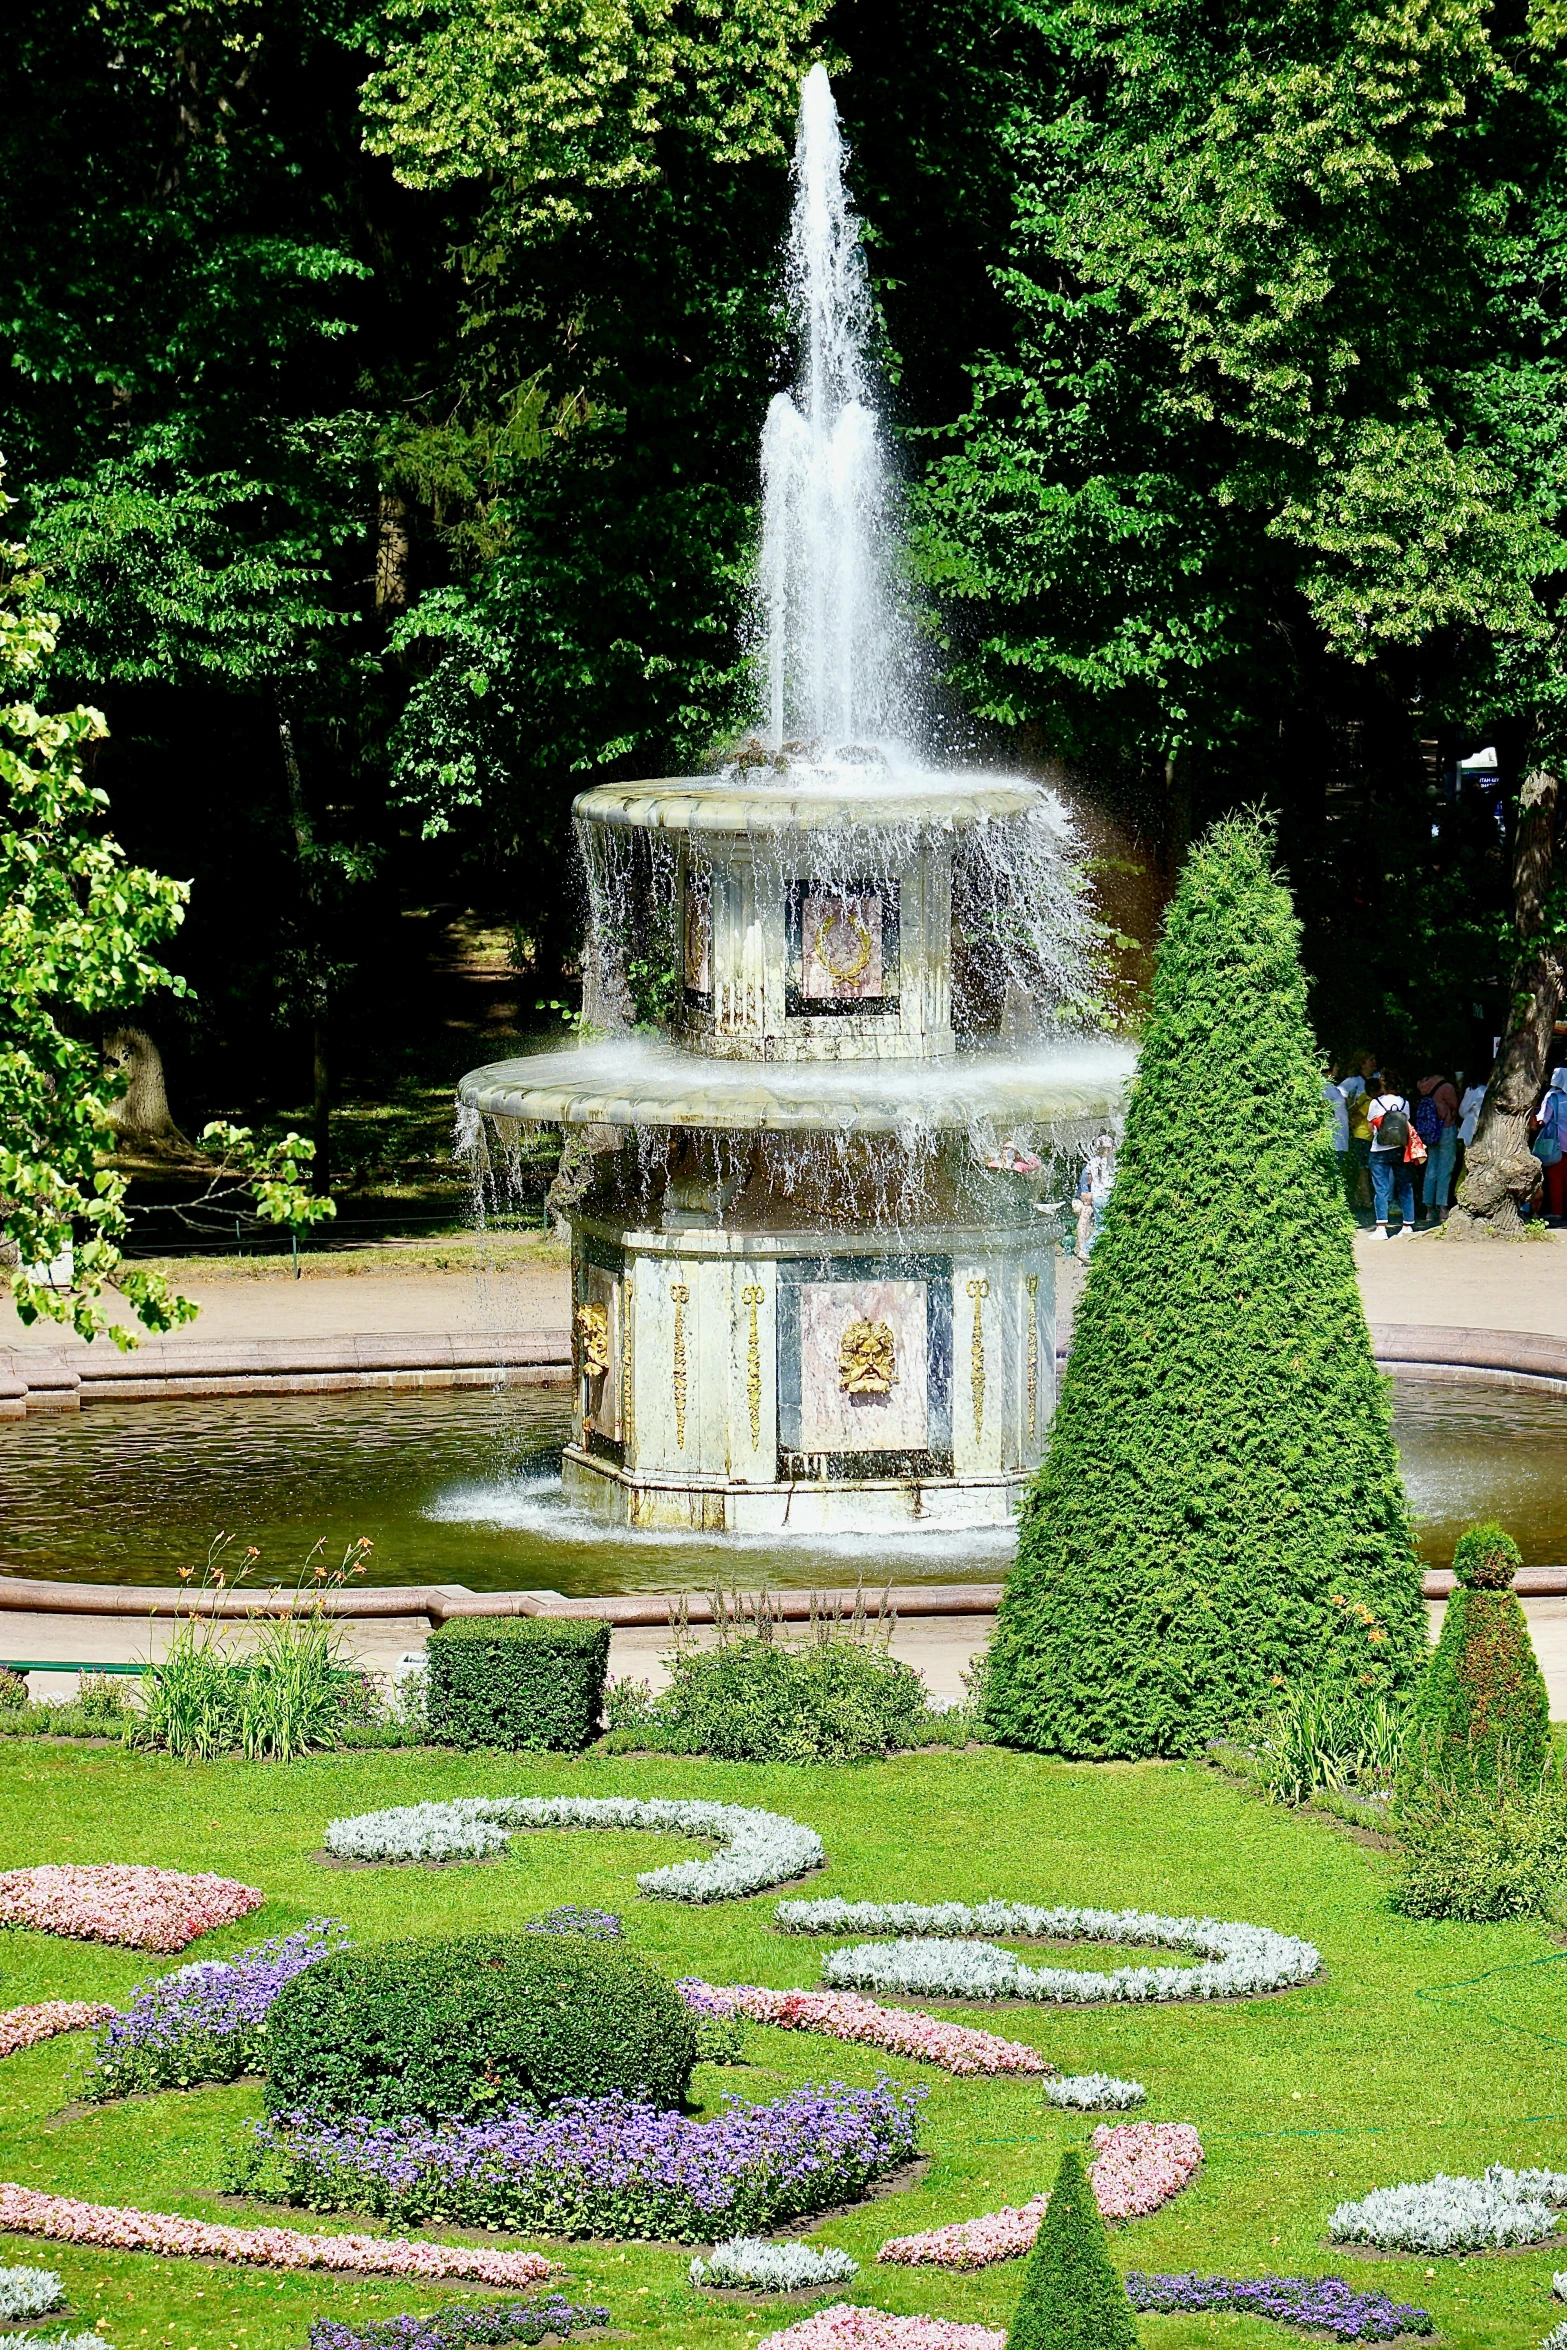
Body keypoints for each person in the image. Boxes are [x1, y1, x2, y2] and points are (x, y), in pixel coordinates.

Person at [1367, 1072, 1416, 1237]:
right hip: (1400, 1149)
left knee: (1381, 1188)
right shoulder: (1405, 1103)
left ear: (1382, 1085)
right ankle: (1408, 1225)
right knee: (1405, 1186)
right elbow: (1405, 1124)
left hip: (1379, 1149)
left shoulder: (1376, 1102)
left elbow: (1369, 1127)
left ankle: (1381, 1227)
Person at [1414, 1072, 1460, 1223]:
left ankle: (1428, 1208)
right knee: (1445, 1169)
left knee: (1431, 1168)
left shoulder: (1422, 1086)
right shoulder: (1446, 1087)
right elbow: (1455, 1107)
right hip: (1446, 1128)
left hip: (1431, 1132)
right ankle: (1442, 1207)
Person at [1340, 1052, 1377, 1219]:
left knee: (1369, 1167)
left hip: (1376, 1132)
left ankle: (1361, 1198)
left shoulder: (1377, 1078)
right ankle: (1365, 1200)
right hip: (1360, 1132)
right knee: (1363, 1168)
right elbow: (1339, 1097)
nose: (1374, 1063)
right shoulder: (1352, 1082)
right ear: (1362, 1064)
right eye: (1371, 1059)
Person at [1533, 1067, 1567, 1225]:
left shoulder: (1553, 1097)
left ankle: (1557, 1212)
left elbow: (1543, 1119)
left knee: (1555, 1179)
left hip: (1558, 1144)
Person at [1075, 1133, 1116, 1259]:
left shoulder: (1092, 1162)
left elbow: (1085, 1178)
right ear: (1110, 1148)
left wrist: (1085, 1192)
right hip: (1107, 1196)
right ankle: (1086, 1250)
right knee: (1104, 1227)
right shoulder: (1113, 1162)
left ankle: (1099, 1252)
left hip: (1096, 1198)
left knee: (1101, 1226)